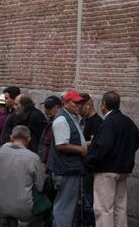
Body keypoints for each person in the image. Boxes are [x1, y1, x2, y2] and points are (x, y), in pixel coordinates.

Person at [85, 91, 139, 227]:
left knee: (104, 208)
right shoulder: (127, 121)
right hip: (123, 170)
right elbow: (138, 138)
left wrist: (90, 162)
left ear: (104, 104)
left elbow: (103, 146)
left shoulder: (109, 122)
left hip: (106, 171)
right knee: (120, 207)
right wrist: (125, 154)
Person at [0, 125, 46, 227]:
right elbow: (40, 187)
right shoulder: (34, 158)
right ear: (28, 139)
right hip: (23, 208)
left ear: (11, 137)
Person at [46, 90, 87, 227]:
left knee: (66, 205)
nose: (79, 106)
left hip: (70, 168)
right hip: (65, 169)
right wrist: (81, 150)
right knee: (64, 206)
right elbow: (61, 145)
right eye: (75, 103)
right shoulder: (62, 119)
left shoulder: (71, 117)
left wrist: (86, 144)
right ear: (66, 103)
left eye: (80, 103)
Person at [38, 95, 62, 167]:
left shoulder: (57, 123)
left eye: (49, 108)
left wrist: (43, 162)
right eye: (45, 107)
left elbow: (47, 145)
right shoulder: (51, 121)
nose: (46, 110)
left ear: (58, 107)